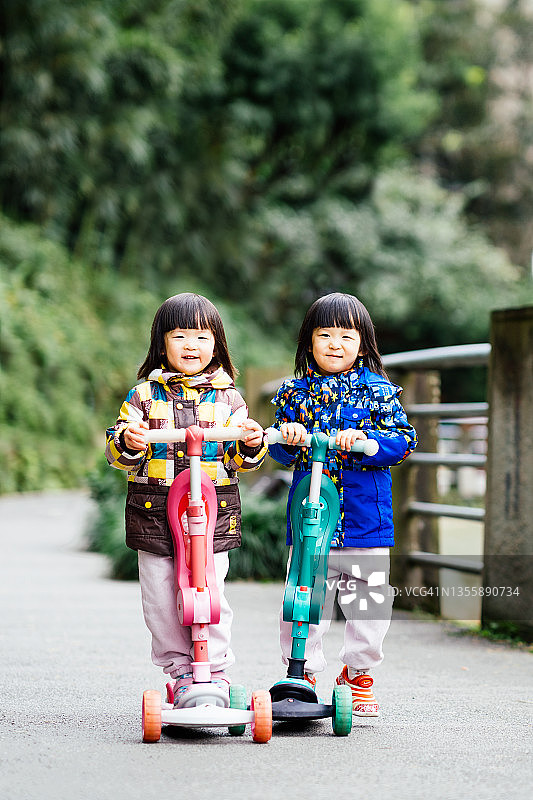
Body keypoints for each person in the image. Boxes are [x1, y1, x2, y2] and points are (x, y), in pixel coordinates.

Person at [106, 293, 266, 705]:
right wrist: (129, 439)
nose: (191, 345)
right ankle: (180, 671)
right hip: (155, 511)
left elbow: (240, 460)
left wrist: (249, 442)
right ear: (162, 344)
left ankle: (215, 671)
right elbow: (117, 449)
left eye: (201, 336)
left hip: (213, 513)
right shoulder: (143, 395)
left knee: (210, 591)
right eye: (179, 336)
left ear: (217, 344)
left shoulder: (229, 399)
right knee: (160, 596)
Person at [268, 292, 417, 716]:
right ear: (308, 342)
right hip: (311, 519)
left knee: (369, 601)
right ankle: (303, 670)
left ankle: (358, 673)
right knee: (303, 594)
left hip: (365, 519)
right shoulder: (294, 393)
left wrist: (369, 444)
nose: (336, 344)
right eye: (325, 334)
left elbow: (404, 441)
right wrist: (289, 437)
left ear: (364, 342)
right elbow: (275, 446)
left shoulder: (378, 392)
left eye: (347, 335)